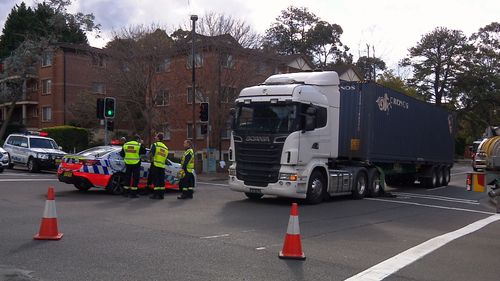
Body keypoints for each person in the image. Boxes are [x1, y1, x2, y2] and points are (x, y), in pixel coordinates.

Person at [149, 133, 169, 199]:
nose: (155, 138)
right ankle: (161, 195)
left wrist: (151, 161)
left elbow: (151, 154)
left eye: (156, 137)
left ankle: (155, 194)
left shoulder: (155, 145)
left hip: (155, 165)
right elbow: (165, 158)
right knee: (161, 181)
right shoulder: (165, 148)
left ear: (158, 138)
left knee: (156, 180)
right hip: (162, 166)